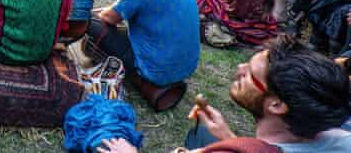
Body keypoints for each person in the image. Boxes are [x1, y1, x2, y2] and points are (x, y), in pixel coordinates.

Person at [102, 36, 351, 153]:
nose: (238, 69)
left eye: (250, 73)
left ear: (276, 105)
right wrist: (228, 136)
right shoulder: (341, 139)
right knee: (202, 131)